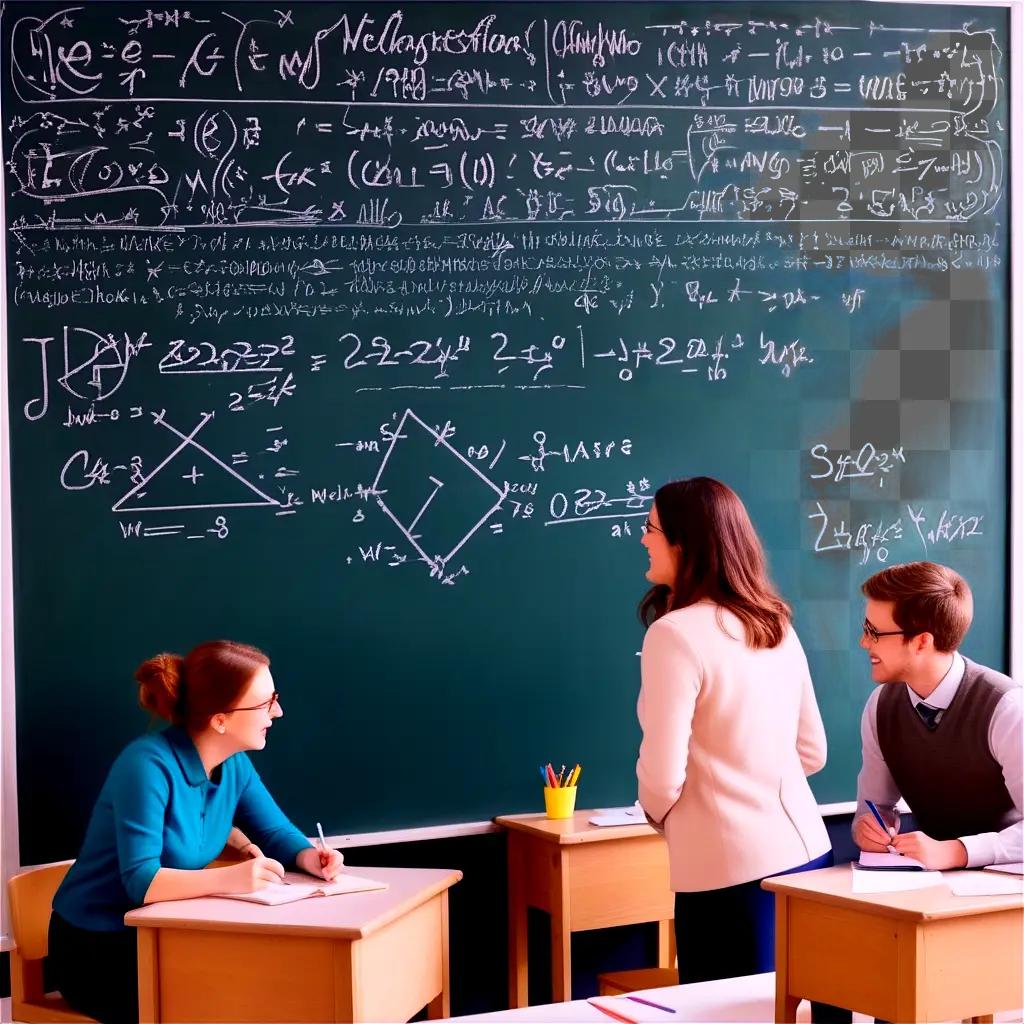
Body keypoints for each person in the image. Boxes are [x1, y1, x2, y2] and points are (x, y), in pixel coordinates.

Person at [48, 640, 346, 1024]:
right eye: (265, 703)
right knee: (232, 1000)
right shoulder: (146, 765)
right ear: (220, 719)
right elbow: (142, 881)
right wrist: (232, 878)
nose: (278, 711)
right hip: (99, 944)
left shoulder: (233, 764)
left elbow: (274, 831)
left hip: (166, 935)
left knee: (269, 989)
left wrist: (310, 857)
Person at [635, 477, 837, 996]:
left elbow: (661, 778)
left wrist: (669, 818)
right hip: (811, 855)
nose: (643, 538)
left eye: (651, 528)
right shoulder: (775, 623)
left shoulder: (673, 635)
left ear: (685, 542)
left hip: (728, 876)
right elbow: (813, 751)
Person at [853, 562, 1021, 869]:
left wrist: (957, 851)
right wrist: (869, 828)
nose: (864, 642)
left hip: (1005, 893)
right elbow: (874, 807)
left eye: (873, 632)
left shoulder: (1007, 708)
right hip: (928, 884)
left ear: (922, 642)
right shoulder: (881, 706)